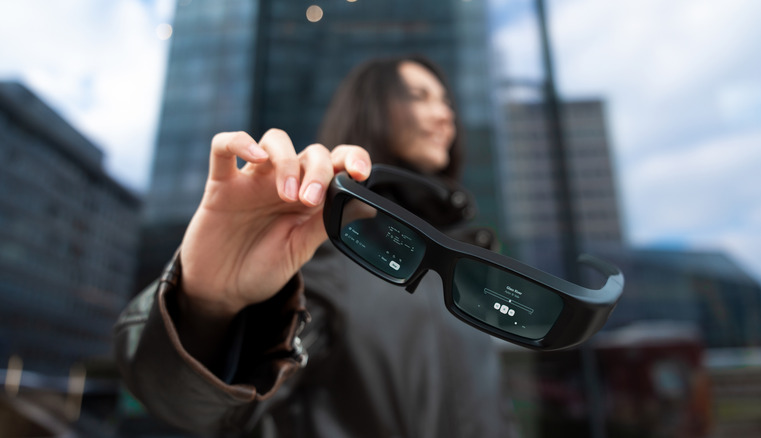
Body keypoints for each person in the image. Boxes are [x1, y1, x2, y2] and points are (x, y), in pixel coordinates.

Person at [114, 55, 516, 437]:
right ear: (371, 109)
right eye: (420, 97)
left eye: (446, 101)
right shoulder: (320, 255)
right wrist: (207, 305)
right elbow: (203, 407)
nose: (446, 115)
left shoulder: (465, 270)